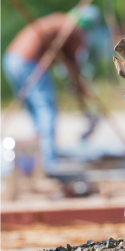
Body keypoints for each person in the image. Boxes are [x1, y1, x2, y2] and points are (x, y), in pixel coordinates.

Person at [2, 6, 100, 176]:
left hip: (11, 59)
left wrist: (78, 87)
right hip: (28, 61)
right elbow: (73, 65)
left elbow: (69, 64)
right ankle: (49, 160)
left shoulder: (61, 22)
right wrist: (82, 90)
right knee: (45, 108)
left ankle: (40, 155)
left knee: (36, 112)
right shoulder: (73, 29)